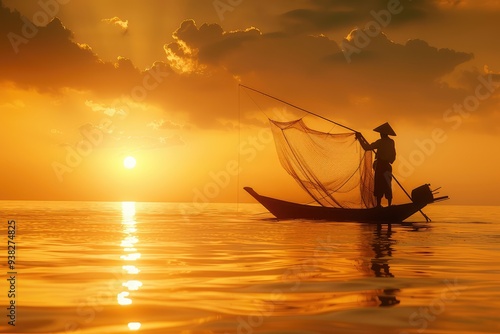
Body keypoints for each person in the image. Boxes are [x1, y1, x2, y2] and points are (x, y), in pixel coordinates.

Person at [355, 122, 396, 207]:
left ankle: (378, 205)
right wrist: (361, 138)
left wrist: (359, 138)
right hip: (388, 167)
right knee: (388, 185)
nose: (380, 134)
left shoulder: (380, 142)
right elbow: (393, 155)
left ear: (383, 133)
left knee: (379, 185)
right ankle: (389, 205)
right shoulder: (391, 142)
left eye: (381, 133)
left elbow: (366, 147)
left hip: (381, 167)